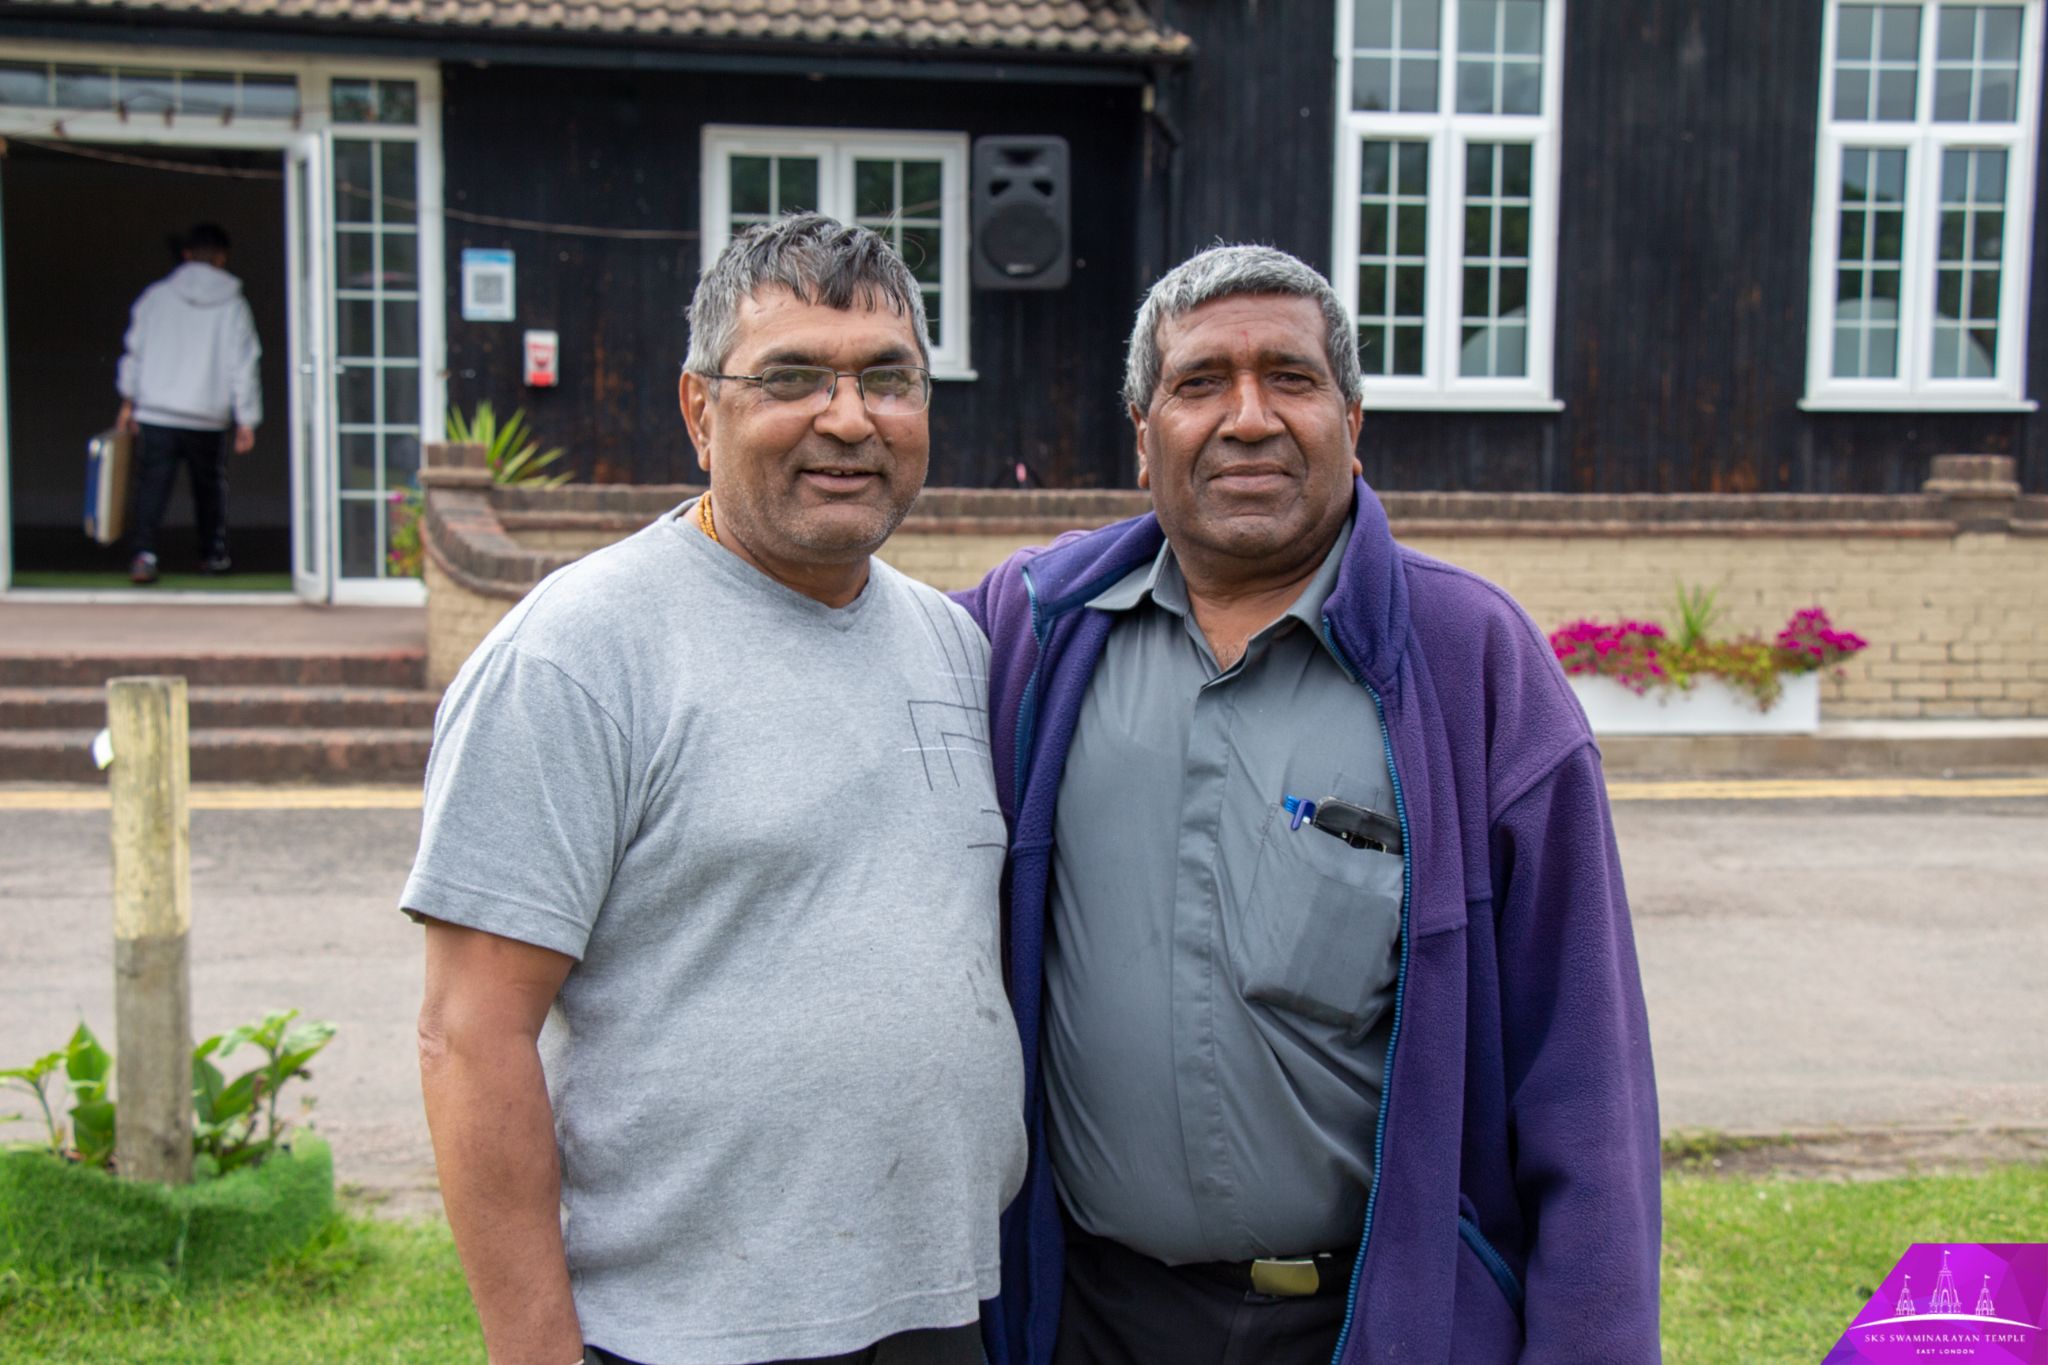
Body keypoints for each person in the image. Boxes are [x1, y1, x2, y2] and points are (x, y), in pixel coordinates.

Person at [959, 245, 1661, 1365]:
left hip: (1369, 1326)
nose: (1246, 418)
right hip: (1085, 1319)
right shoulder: (1034, 636)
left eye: (1288, 377)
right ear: (1142, 437)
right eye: (1198, 384)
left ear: (1351, 418)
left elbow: (1584, 1081)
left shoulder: (1471, 665)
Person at [404, 214, 1025, 1365]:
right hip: (683, 1334)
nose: (848, 419)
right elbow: (469, 1032)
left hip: (940, 1312)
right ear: (700, 410)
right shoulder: (579, 654)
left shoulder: (951, 645)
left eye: (887, 379)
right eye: (791, 377)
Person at [115, 221, 262, 583]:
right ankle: (212, 555)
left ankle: (144, 554)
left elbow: (135, 352)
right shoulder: (234, 305)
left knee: (152, 485)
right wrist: (247, 419)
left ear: (185, 255)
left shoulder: (155, 297)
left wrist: (128, 400)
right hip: (207, 415)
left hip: (156, 411)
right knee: (209, 487)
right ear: (222, 258)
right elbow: (242, 363)